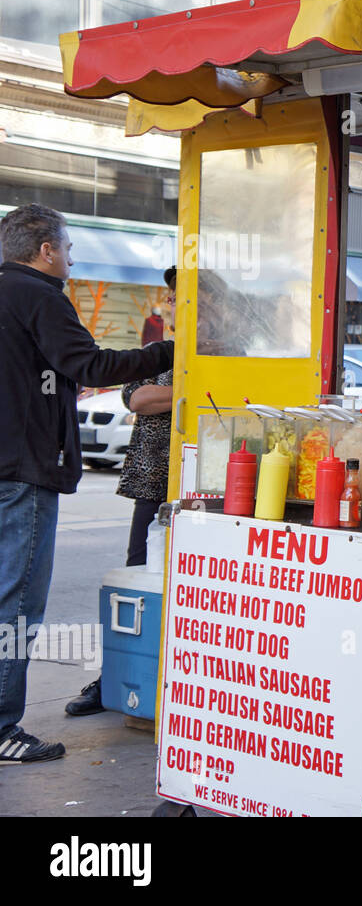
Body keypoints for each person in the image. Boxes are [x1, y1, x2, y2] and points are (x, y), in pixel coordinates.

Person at [0, 204, 172, 763]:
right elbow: (92, 368)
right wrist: (173, 350)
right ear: (46, 250)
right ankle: (3, 727)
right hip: (22, 470)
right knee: (17, 601)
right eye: (69, 248)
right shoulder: (39, 296)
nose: (72, 258)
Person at [66, 267, 176, 717]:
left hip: (199, 484)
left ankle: (170, 679)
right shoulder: (158, 351)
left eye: (176, 296)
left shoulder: (222, 354)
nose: (168, 304)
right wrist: (189, 390)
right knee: (138, 577)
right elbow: (136, 399)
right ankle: (115, 675)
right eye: (170, 296)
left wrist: (171, 393)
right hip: (152, 477)